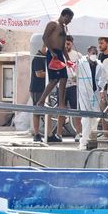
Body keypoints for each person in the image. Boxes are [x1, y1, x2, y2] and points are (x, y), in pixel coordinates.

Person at [33, 8, 74, 143]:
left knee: (64, 77)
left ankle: (61, 103)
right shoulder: (53, 23)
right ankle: (41, 101)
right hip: (53, 53)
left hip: (60, 53)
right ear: (66, 16)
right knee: (55, 79)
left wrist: (67, 59)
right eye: (70, 18)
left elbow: (63, 46)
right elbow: (45, 37)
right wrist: (51, 51)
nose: (70, 21)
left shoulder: (64, 28)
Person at [76, 46, 106, 151]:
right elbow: (73, 71)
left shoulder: (99, 65)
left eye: (96, 53)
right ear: (87, 53)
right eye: (93, 53)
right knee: (86, 117)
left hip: (95, 92)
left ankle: (92, 140)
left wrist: (100, 86)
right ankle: (84, 142)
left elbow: (104, 77)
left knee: (95, 118)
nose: (94, 55)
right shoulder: (81, 63)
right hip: (84, 92)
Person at [30, 46, 51, 143]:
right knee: (37, 111)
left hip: (46, 88)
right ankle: (37, 134)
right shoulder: (38, 58)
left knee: (48, 110)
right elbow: (39, 74)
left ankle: (49, 134)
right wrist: (50, 72)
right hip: (37, 88)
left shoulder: (46, 58)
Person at [63, 36, 81, 140]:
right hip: (62, 85)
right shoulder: (60, 54)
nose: (66, 46)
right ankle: (59, 133)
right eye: (65, 43)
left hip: (73, 85)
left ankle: (78, 132)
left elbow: (82, 68)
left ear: (72, 44)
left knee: (76, 110)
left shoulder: (77, 55)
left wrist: (77, 76)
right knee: (61, 109)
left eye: (68, 44)